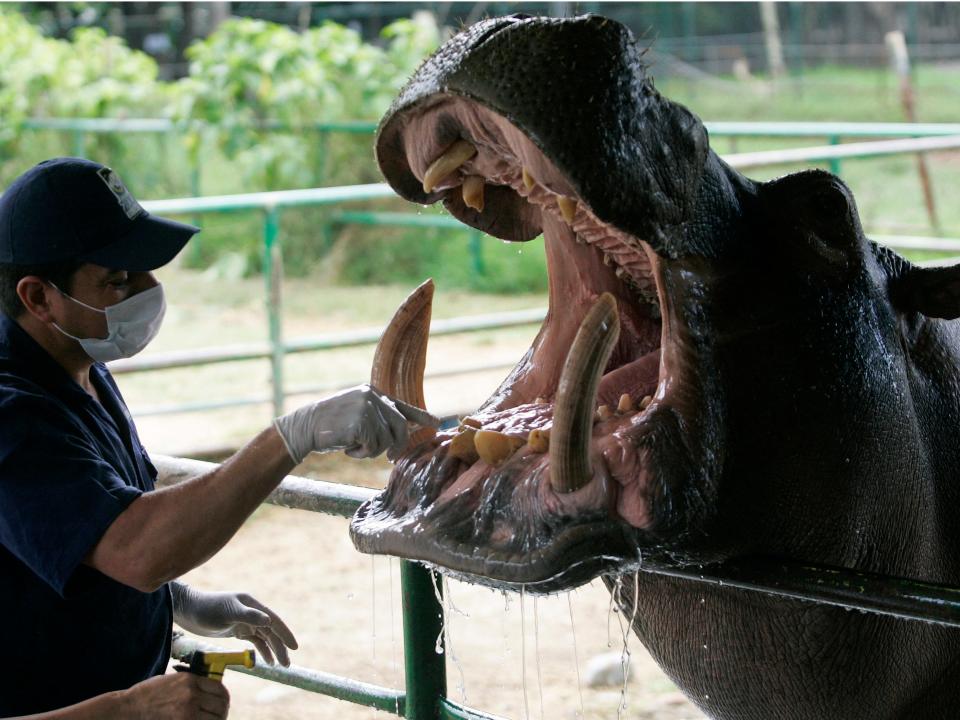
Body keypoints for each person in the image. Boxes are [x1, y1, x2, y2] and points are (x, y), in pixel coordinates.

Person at [0, 158, 437, 719]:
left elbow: (82, 530)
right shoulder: (13, 416)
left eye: (146, 271)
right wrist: (292, 437)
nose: (147, 293)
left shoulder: (78, 364)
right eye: (117, 280)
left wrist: (179, 603)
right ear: (38, 298)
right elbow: (135, 547)